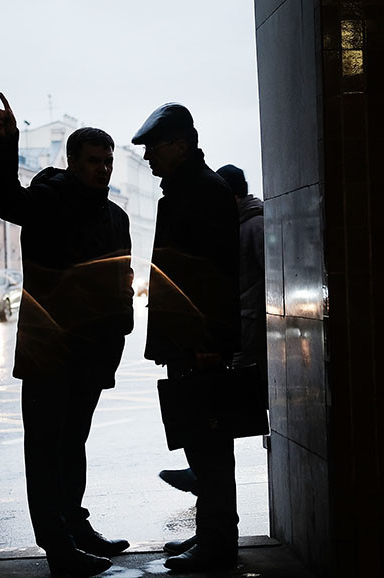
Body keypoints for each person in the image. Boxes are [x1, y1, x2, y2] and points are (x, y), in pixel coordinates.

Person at [0, 93, 134, 578]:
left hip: (92, 355)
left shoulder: (117, 217)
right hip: (50, 352)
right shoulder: (48, 200)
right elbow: (4, 198)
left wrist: (119, 336)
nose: (104, 170)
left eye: (109, 162)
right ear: (72, 162)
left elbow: (123, 283)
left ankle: (76, 526)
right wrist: (4, 144)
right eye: (95, 161)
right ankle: (58, 546)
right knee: (46, 449)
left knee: (73, 444)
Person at [132, 103, 241, 571]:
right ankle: (208, 534)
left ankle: (218, 544)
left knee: (211, 447)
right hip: (189, 340)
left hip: (202, 343)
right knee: (199, 442)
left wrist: (206, 340)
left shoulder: (204, 191)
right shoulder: (184, 189)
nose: (149, 156)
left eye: (154, 147)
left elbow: (212, 276)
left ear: (181, 144)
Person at [157, 164, 267, 554]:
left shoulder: (251, 227)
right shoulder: (238, 224)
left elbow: (262, 285)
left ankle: (214, 532)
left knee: (216, 430)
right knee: (211, 430)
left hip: (243, 341)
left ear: (231, 196)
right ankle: (208, 525)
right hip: (237, 337)